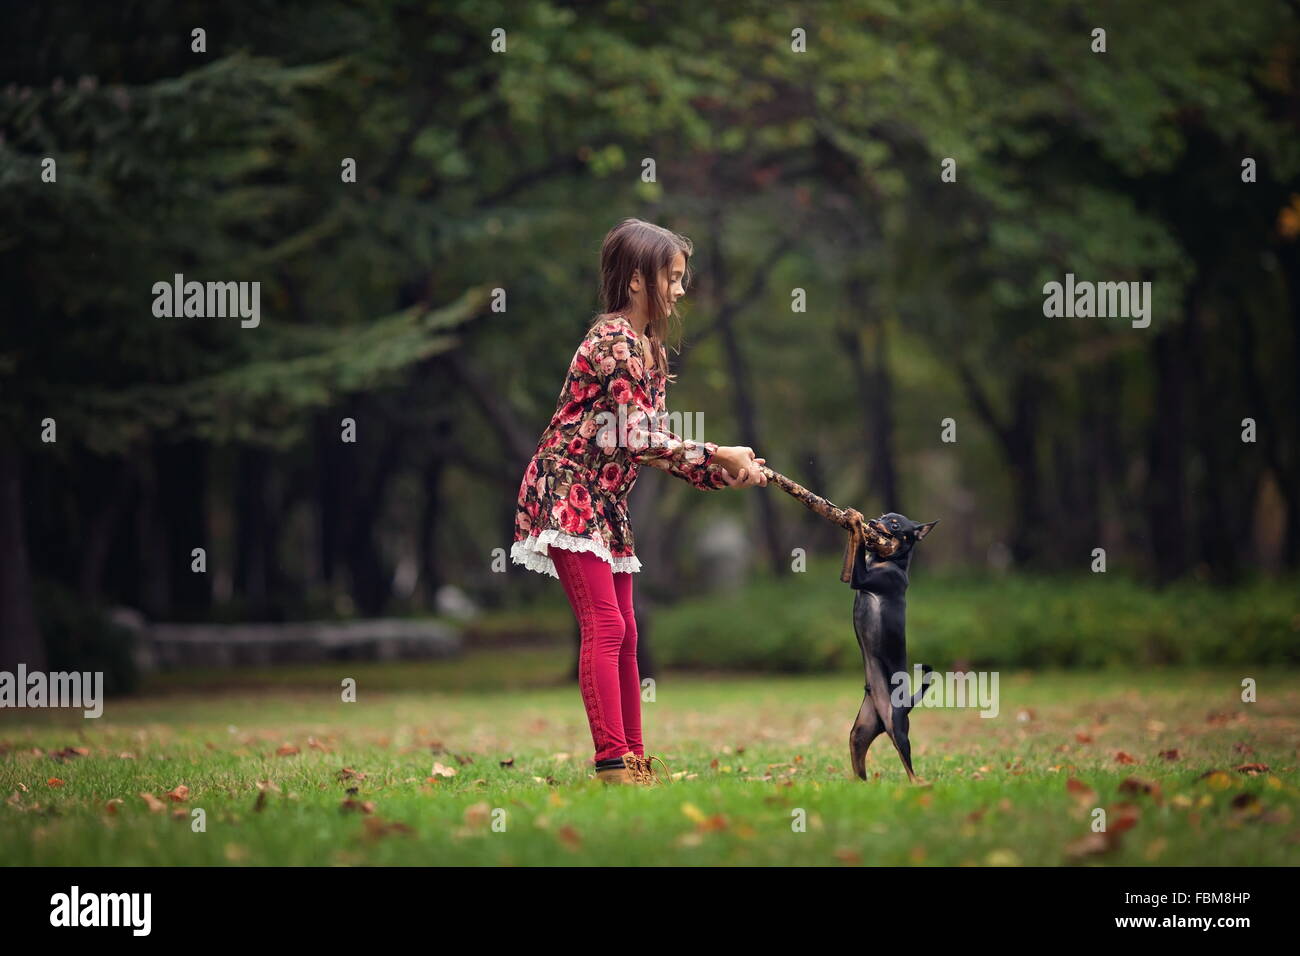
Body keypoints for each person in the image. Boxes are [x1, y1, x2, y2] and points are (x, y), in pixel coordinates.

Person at [509, 218, 767, 786]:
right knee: (605, 624)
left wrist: (728, 475)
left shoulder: (647, 349)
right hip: (567, 491)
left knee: (625, 626)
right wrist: (720, 450)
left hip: (602, 500)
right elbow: (636, 438)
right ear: (634, 281)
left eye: (681, 278)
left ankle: (634, 760)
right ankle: (611, 763)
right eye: (671, 277)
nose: (679, 289)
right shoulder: (612, 342)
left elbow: (657, 449)